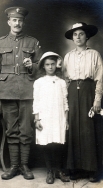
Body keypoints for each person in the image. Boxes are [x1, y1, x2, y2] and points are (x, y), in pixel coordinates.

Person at [0, 7, 42, 180]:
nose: (17, 23)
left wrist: (31, 66)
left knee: (26, 130)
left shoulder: (32, 42)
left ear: (23, 22)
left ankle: (25, 166)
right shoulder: (0, 43)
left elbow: (41, 69)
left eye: (20, 20)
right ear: (9, 22)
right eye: (14, 20)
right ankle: (14, 166)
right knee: (12, 130)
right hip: (7, 92)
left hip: (28, 92)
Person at [63, 22, 103, 182]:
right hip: (72, 92)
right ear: (72, 38)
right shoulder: (68, 56)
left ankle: (92, 169)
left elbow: (100, 78)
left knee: (89, 129)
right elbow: (65, 79)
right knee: (74, 129)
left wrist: (97, 99)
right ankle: (76, 168)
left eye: (81, 34)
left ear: (87, 36)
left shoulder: (94, 54)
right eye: (75, 34)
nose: (78, 37)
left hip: (89, 91)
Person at [33, 52, 69, 184]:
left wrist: (66, 119)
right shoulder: (39, 82)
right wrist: (37, 119)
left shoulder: (61, 82)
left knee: (58, 144)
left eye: (53, 64)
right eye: (47, 64)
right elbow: (36, 101)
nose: (50, 67)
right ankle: (49, 171)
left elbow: (65, 102)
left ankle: (58, 170)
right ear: (43, 66)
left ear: (56, 65)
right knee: (47, 144)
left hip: (58, 117)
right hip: (45, 117)